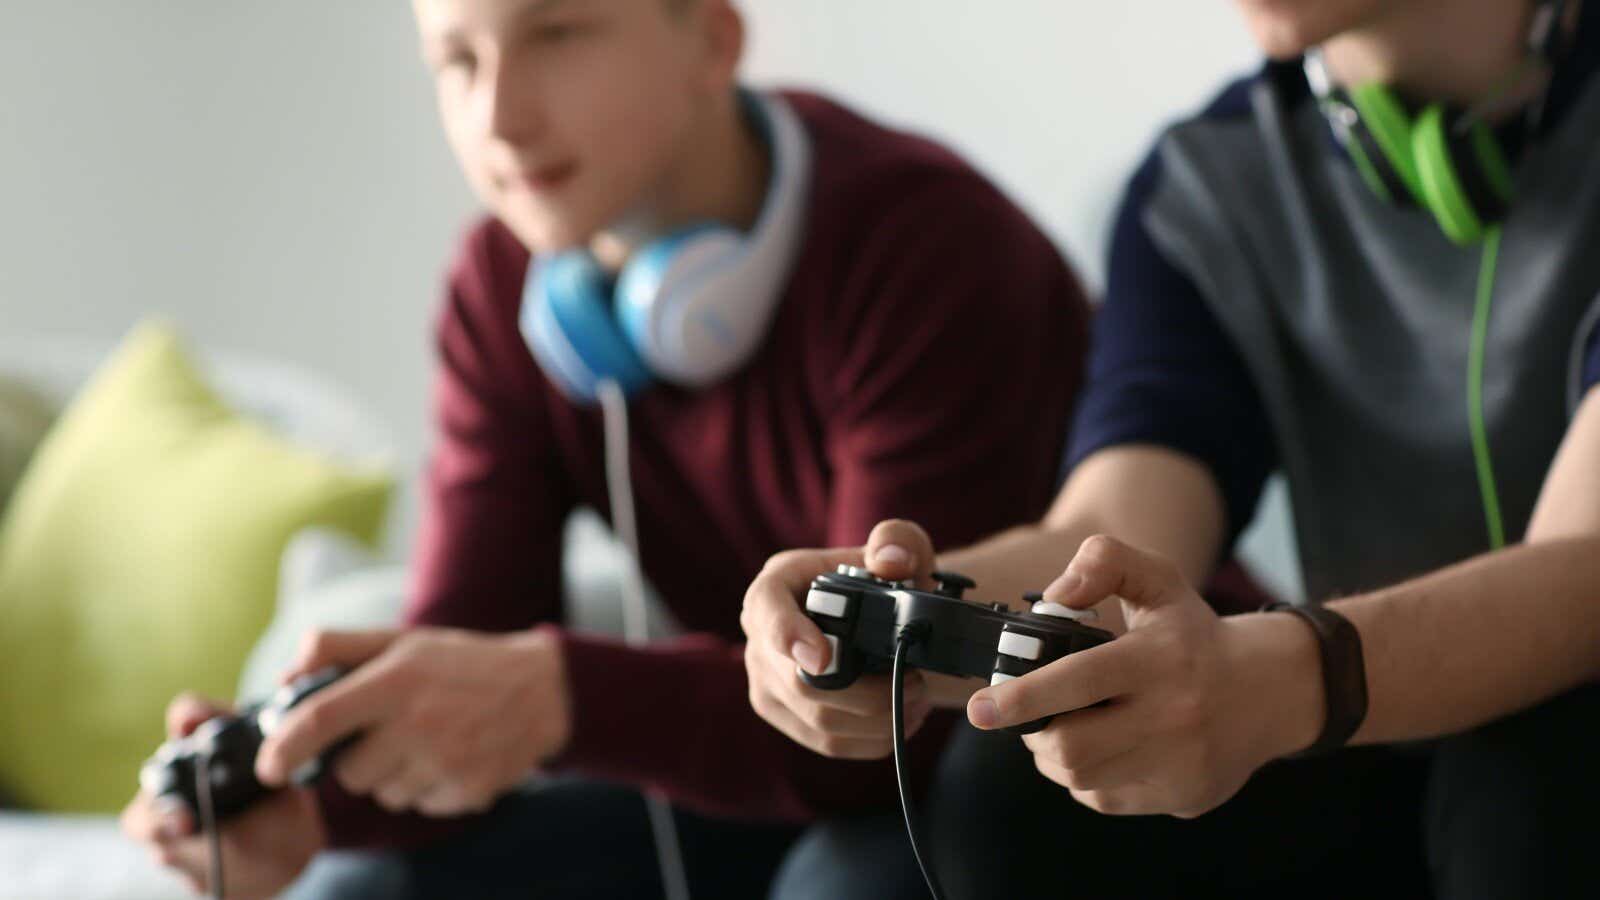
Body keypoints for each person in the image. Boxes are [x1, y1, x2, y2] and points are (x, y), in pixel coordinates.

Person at [119, 0, 1091, 897]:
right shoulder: (502, 291)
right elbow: (466, 649)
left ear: (712, 39)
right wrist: (307, 799)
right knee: (361, 891)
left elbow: (893, 713)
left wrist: (561, 698)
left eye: (558, 34)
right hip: (765, 768)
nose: (497, 117)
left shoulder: (923, 241)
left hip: (1024, 774)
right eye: (456, 60)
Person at [740, 0, 1600, 897]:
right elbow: (1113, 533)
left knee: (1538, 766)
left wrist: (1286, 678)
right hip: (1377, 753)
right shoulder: (1205, 178)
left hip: (1537, 767)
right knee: (1015, 797)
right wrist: (902, 620)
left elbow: (1588, 574)